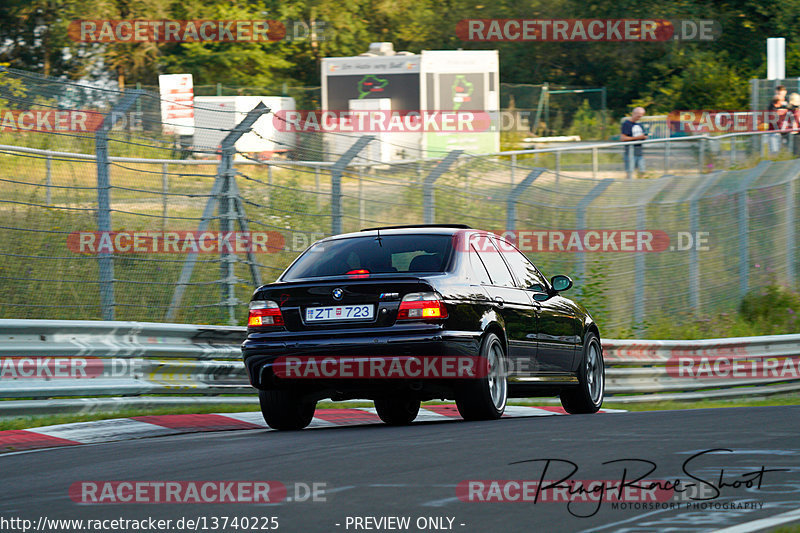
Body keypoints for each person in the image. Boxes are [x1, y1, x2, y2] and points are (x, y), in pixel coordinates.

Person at [621, 107, 648, 178]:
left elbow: (643, 135)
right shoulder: (626, 124)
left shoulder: (640, 124)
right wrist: (638, 138)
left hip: (639, 152)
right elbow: (623, 138)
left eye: (641, 116)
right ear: (634, 114)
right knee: (630, 173)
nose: (640, 117)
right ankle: (629, 186)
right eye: (638, 116)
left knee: (642, 171)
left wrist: (644, 137)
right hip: (630, 153)